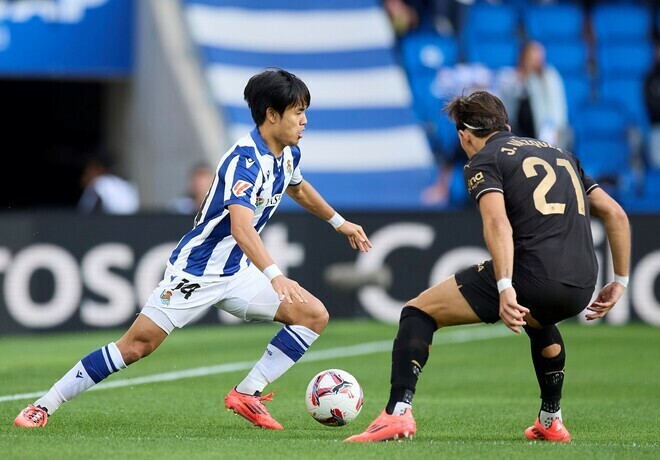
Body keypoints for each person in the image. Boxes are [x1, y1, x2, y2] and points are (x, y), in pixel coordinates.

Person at [14, 68, 372, 430]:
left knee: (313, 315)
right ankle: (43, 406)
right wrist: (275, 276)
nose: (305, 121)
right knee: (136, 346)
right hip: (197, 272)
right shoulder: (244, 162)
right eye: (298, 112)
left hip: (237, 274)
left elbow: (297, 188)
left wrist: (339, 222)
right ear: (272, 115)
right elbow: (241, 228)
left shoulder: (287, 154)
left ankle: (247, 393)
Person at [345, 90, 630, 443]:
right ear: (505, 123)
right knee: (539, 321)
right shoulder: (562, 154)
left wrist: (505, 285)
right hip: (584, 282)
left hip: (532, 276)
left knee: (418, 312)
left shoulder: (485, 159)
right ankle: (551, 420)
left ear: (465, 134)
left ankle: (397, 413)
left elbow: (497, 223)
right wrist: (620, 280)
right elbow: (615, 213)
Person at [498, 41, 570, 150]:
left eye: (539, 57)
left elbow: (558, 108)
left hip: (543, 131)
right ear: (523, 58)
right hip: (516, 131)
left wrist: (556, 128)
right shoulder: (509, 76)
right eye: (533, 57)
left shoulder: (549, 76)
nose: (537, 61)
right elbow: (505, 104)